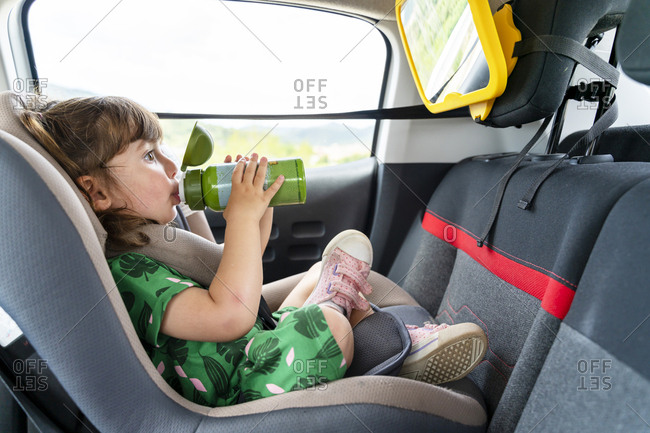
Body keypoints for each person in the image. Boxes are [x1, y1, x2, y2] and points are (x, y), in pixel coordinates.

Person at [18, 95, 487, 407]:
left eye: (161, 150)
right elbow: (229, 315)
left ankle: (336, 295)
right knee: (329, 325)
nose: (169, 165)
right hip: (240, 385)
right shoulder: (127, 272)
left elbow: (233, 278)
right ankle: (379, 336)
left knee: (318, 269)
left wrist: (255, 216)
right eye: (146, 156)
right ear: (98, 194)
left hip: (246, 348)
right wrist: (239, 220)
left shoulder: (148, 240)